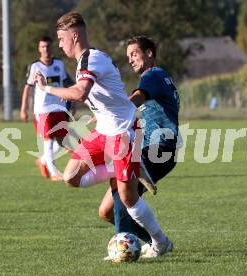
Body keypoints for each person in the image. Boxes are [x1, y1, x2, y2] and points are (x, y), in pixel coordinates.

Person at [35, 12, 173, 258]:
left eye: (61, 38)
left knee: (128, 200)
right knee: (70, 176)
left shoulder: (92, 59)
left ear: (74, 35)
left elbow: (80, 93)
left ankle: (161, 242)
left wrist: (45, 87)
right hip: (104, 132)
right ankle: (124, 169)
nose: (60, 44)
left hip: (123, 133)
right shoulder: (85, 61)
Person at [98, 35, 180, 255]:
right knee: (106, 211)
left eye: (134, 53)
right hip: (156, 150)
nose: (131, 60)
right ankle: (159, 242)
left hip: (157, 150)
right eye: (128, 56)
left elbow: (137, 98)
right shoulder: (159, 78)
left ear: (149, 53)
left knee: (120, 194)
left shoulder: (152, 75)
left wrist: (111, 112)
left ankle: (122, 250)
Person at [20, 36, 75, 181]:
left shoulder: (59, 64)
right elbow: (28, 88)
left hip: (60, 108)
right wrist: (23, 109)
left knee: (63, 142)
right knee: (48, 140)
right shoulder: (35, 66)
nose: (46, 49)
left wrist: (72, 102)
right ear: (39, 49)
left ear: (52, 47)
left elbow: (69, 84)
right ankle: (53, 172)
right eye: (43, 47)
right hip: (43, 109)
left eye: (48, 46)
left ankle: (44, 160)